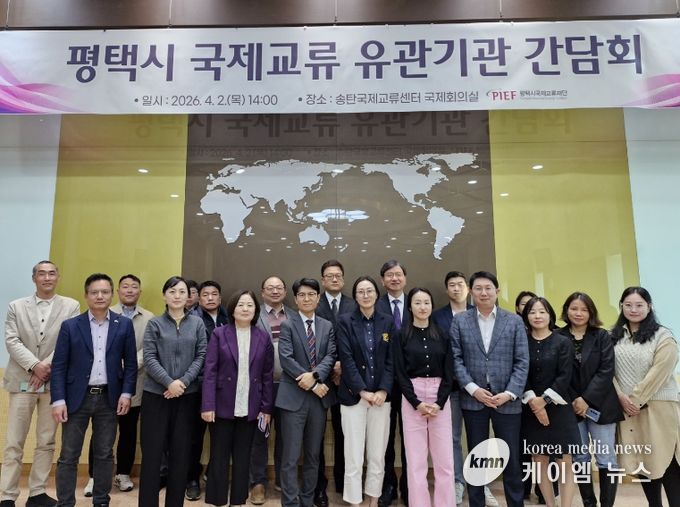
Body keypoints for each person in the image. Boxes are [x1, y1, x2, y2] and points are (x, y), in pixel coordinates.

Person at [50, 273, 137, 507]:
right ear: (86, 295)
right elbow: (59, 366)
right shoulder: (70, 326)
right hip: (76, 399)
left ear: (111, 294)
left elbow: (130, 364)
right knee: (69, 455)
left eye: (105, 292)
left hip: (109, 398)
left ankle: (101, 501)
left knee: (104, 454)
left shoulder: (124, 324)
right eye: (94, 292)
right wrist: (58, 400)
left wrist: (126, 393)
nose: (100, 296)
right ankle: (65, 503)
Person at [1, 261, 79, 507]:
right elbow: (12, 341)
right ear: (34, 278)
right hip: (21, 382)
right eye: (42, 274)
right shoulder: (16, 306)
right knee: (14, 442)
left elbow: (69, 341)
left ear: (58, 277)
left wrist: (45, 367)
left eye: (51, 273)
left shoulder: (72, 306)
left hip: (53, 383)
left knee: (46, 441)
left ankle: (36, 493)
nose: (47, 277)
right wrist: (34, 365)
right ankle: (7, 495)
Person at [451, 271, 529, 507]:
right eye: (478, 288)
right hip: (474, 399)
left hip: (507, 400)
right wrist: (473, 389)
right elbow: (455, 359)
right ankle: (477, 503)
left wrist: (509, 393)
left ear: (497, 291)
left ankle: (515, 503)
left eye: (488, 288)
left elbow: (522, 361)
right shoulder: (460, 321)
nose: (483, 293)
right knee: (477, 457)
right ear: (471, 292)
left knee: (511, 457)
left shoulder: (514, 321)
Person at [138, 276, 207, 507]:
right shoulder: (154, 324)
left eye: (182, 292)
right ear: (164, 295)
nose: (177, 296)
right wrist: (169, 383)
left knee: (181, 455)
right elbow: (149, 358)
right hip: (156, 396)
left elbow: (201, 355)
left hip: (187, 397)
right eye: (172, 291)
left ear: (188, 296)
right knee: (152, 455)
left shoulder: (197, 324)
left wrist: (182, 383)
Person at [83, 274, 154, 496]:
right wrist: (113, 362)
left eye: (134, 287)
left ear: (140, 291)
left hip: (135, 383)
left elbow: (149, 347)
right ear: (117, 291)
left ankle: (123, 473)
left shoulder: (150, 318)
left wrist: (130, 362)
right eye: (125, 286)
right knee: (100, 432)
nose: (130, 290)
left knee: (129, 431)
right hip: (106, 382)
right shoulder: (105, 311)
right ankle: (94, 477)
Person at [201, 290, 274, 506]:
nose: (245, 309)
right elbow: (210, 371)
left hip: (250, 406)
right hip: (221, 405)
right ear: (232, 309)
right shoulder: (219, 334)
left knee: (243, 457)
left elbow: (267, 376)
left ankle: (237, 500)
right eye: (241, 305)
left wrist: (266, 409)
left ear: (255, 310)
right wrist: (208, 405)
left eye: (250, 305)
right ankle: (217, 500)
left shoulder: (263, 337)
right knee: (219, 455)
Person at [611, 287, 680, 507]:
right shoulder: (614, 336)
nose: (634, 309)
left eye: (639, 305)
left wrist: (635, 400)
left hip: (659, 407)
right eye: (628, 305)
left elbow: (660, 371)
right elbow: (607, 371)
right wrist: (621, 397)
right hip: (627, 409)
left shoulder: (663, 336)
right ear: (621, 306)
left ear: (649, 307)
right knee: (642, 458)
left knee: (667, 458)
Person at [433, 271, 497, 506]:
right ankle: (458, 481)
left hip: (478, 388)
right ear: (446, 289)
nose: (456, 288)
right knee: (452, 438)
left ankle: (481, 483)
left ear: (468, 289)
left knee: (479, 439)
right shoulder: (437, 316)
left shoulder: (479, 312)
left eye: (460, 284)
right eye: (451, 285)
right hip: (450, 387)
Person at [556, 292, 622, 507]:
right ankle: (589, 503)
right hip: (570, 407)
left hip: (601, 405)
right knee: (580, 457)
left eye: (584, 309)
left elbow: (606, 370)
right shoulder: (557, 336)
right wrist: (575, 399)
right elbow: (558, 373)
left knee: (606, 458)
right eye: (574, 308)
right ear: (566, 311)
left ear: (591, 312)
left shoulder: (601, 336)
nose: (578, 313)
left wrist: (586, 399)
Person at [276, 278, 337, 507]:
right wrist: (313, 384)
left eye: (311, 294)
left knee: (313, 455)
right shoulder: (287, 324)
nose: (307, 298)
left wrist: (315, 376)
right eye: (302, 295)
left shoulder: (326, 326)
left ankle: (307, 500)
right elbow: (286, 359)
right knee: (290, 457)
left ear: (318, 297)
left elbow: (330, 355)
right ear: (295, 299)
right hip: (293, 399)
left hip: (317, 401)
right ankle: (290, 503)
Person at [394, 288, 455, 507]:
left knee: (444, 460)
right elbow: (400, 373)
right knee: (415, 461)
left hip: (440, 397)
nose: (422, 307)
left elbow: (449, 372)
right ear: (410, 307)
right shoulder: (401, 335)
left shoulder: (443, 334)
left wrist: (439, 402)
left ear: (432, 305)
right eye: (417, 303)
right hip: (413, 396)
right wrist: (416, 402)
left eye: (426, 302)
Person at [336, 276, 395, 506]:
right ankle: (354, 500)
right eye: (360, 291)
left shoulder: (387, 321)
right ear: (355, 296)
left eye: (369, 290)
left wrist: (383, 390)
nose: (366, 295)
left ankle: (373, 498)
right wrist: (362, 391)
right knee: (353, 454)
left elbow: (391, 361)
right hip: (353, 398)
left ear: (377, 295)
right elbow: (346, 359)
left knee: (377, 454)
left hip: (381, 398)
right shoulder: (345, 321)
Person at [521, 297, 579, 507]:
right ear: (526, 317)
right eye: (532, 312)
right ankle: (549, 504)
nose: (537, 316)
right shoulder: (522, 342)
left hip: (560, 409)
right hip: (530, 408)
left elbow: (565, 376)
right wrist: (534, 404)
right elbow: (520, 373)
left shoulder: (562, 342)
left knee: (565, 462)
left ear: (550, 315)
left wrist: (544, 401)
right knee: (539, 460)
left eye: (542, 312)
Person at [249, 276, 297, 504]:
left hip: (290, 386)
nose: (275, 291)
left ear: (285, 292)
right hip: (261, 388)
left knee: (287, 436)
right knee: (260, 434)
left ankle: (282, 478)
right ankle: (257, 482)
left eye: (279, 288)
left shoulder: (294, 315)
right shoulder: (253, 314)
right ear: (262, 292)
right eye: (270, 288)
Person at [314, 259, 355, 507]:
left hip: (347, 380)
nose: (334, 278)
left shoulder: (353, 303)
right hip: (319, 379)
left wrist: (343, 367)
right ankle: (319, 485)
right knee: (316, 435)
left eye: (338, 275)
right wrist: (330, 367)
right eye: (329, 275)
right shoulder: (313, 303)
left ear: (343, 278)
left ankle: (343, 482)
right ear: (322, 280)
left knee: (344, 433)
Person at [186, 280, 229, 501]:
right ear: (198, 298)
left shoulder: (229, 318)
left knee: (221, 435)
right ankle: (192, 479)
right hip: (198, 385)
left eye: (214, 294)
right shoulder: (191, 320)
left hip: (224, 387)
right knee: (195, 436)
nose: (210, 298)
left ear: (220, 298)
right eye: (205, 294)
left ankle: (214, 474)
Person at [375, 260, 410, 507]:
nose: (394, 278)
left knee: (410, 439)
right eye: (389, 275)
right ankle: (388, 485)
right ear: (382, 280)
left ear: (405, 278)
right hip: (383, 383)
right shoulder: (375, 306)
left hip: (412, 383)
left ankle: (409, 486)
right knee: (385, 439)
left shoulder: (417, 302)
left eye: (398, 274)